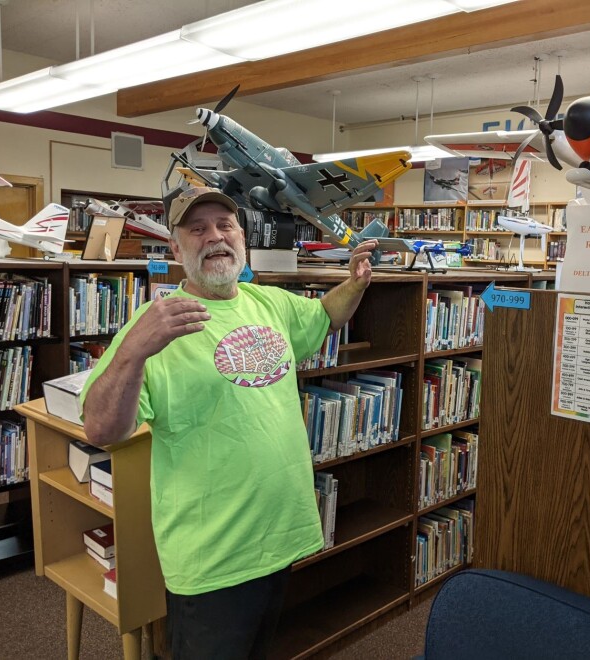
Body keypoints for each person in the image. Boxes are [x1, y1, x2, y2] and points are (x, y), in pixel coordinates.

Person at [81, 186, 378, 659]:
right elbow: (101, 429)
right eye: (197, 229)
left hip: (279, 537)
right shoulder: (154, 325)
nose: (215, 237)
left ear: (242, 237)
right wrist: (135, 349)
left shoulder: (270, 303)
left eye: (226, 225)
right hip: (213, 557)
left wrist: (355, 284)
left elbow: (324, 315)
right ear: (176, 249)